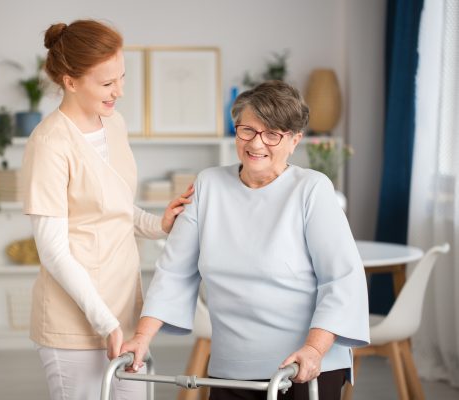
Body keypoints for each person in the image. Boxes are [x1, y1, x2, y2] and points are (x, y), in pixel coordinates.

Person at [121, 80, 370, 400]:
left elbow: (342, 280)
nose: (257, 143)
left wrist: (313, 350)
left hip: (305, 365)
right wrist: (142, 338)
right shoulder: (208, 185)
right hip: (232, 367)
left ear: (295, 140)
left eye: (273, 134)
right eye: (247, 130)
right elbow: (174, 271)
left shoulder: (311, 189)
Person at [21, 19, 193, 400]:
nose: (120, 91)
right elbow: (53, 250)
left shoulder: (114, 124)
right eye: (107, 83)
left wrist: (157, 224)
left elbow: (114, 206)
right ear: (70, 80)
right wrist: (105, 323)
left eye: (122, 77)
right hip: (76, 323)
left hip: (125, 310)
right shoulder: (49, 144)